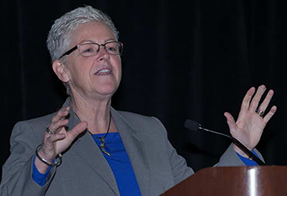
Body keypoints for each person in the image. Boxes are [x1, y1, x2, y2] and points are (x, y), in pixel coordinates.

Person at [0, 5, 277, 196]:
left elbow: (197, 193)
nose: (104, 55)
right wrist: (44, 158)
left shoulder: (150, 131)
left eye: (110, 47)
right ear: (62, 70)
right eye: (88, 49)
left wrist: (242, 148)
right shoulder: (36, 135)